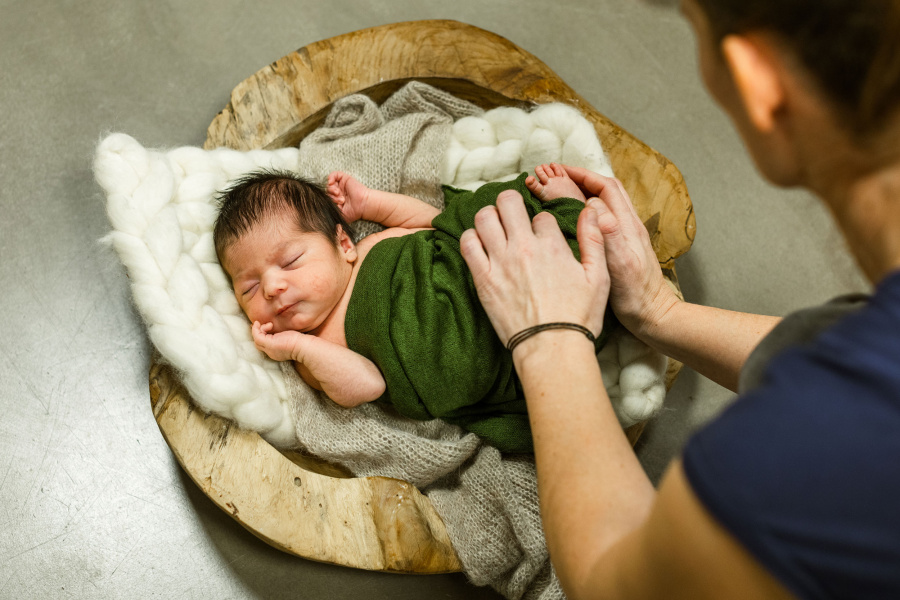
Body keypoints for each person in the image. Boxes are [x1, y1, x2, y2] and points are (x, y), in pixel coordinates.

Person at [458, 0, 900, 597]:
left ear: (758, 83)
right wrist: (660, 313)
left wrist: (547, 338)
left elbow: (614, 581)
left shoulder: (792, 468)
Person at [212, 164, 617, 453]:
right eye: (249, 288)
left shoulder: (372, 246)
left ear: (344, 244)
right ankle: (580, 240)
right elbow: (368, 384)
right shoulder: (312, 351)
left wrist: (369, 203)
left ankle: (568, 213)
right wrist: (297, 348)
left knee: (481, 211)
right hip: (473, 349)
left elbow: (431, 223)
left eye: (290, 261)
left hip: (467, 272)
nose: (272, 287)